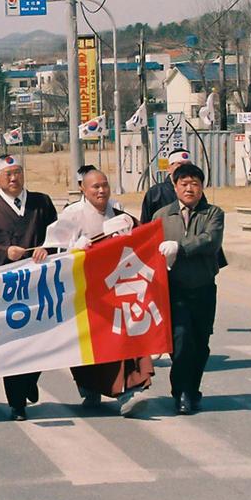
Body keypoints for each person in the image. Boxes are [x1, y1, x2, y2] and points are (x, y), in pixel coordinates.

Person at [47, 167, 152, 417]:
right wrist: (75, 249)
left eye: (104, 185)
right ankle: (89, 389)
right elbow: (54, 252)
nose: (101, 190)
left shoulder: (119, 212)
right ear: (83, 189)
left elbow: (138, 242)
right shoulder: (71, 214)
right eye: (95, 186)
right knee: (88, 347)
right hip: (85, 292)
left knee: (123, 343)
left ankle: (129, 392)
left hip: (117, 290)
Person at [0, 155, 58, 420]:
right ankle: (16, 401)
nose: (14, 178)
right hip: (8, 288)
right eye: (7, 174)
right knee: (13, 344)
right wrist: (3, 252)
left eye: (17, 172)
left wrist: (48, 248)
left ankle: (31, 378)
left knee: (43, 339)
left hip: (40, 282)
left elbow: (57, 234)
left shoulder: (42, 203)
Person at [154, 163, 225, 416]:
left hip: (203, 288)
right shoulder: (162, 216)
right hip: (174, 290)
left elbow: (210, 240)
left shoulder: (213, 213)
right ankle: (181, 392)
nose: (189, 189)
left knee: (201, 343)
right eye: (184, 184)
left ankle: (193, 390)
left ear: (202, 187)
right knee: (181, 340)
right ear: (174, 187)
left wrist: (179, 247)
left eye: (194, 184)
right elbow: (147, 246)